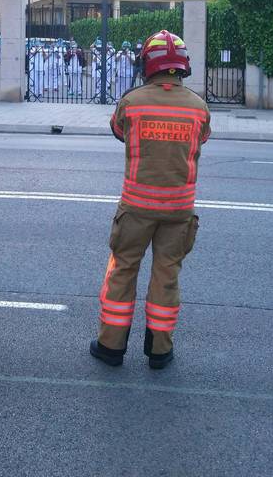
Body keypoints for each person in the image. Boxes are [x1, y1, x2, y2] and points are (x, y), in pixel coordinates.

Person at [90, 30, 211, 370]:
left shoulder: (132, 102)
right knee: (167, 275)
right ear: (182, 65)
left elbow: (119, 131)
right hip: (178, 209)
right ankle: (159, 350)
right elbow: (202, 139)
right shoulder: (199, 108)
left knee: (123, 270)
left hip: (137, 207)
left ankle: (111, 346)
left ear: (148, 63)